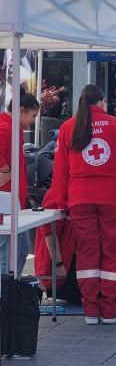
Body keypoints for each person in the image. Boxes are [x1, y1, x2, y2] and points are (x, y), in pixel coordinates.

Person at [44, 85, 116, 325]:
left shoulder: (68, 127)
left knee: (86, 254)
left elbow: (61, 172)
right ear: (103, 102)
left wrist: (63, 202)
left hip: (80, 199)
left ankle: (91, 312)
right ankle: (111, 312)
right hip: (113, 198)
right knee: (112, 253)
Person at [0, 93, 40, 276]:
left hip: (13, 203)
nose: (33, 121)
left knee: (21, 249)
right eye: (33, 115)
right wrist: (5, 171)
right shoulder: (5, 127)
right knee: (6, 254)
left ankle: (9, 291)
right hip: (5, 204)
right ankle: (5, 295)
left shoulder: (12, 128)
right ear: (21, 110)